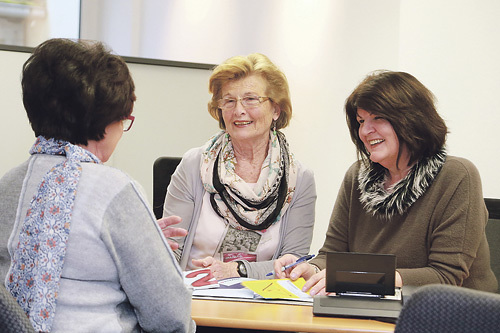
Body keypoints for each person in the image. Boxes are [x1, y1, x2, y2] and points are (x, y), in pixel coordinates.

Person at [0, 38, 195, 332]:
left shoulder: (7, 186)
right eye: (123, 121)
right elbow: (169, 316)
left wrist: (143, 245)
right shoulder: (115, 190)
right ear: (105, 124)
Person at [273, 70, 498, 295]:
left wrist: (365, 277)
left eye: (378, 117)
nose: (365, 131)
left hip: (453, 315)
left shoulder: (457, 175)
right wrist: (310, 269)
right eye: (361, 121)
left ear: (412, 120)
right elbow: (332, 255)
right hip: (372, 308)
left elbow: (446, 276)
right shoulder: (356, 175)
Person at [162, 53, 316, 280]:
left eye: (251, 99)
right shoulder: (195, 166)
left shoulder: (298, 180)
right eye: (229, 100)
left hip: (265, 306)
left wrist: (235, 271)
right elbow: (169, 253)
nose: (239, 110)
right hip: (197, 298)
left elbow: (292, 266)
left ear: (276, 110)